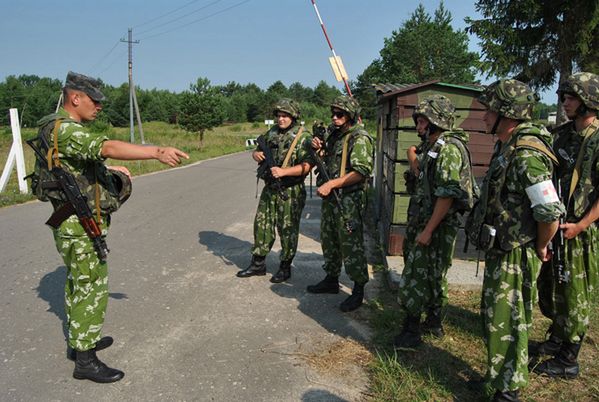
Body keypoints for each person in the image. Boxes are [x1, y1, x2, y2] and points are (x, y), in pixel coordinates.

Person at [32, 71, 189, 383]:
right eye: (94, 100)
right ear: (74, 97)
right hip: (77, 224)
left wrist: (106, 170)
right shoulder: (65, 129)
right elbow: (104, 146)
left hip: (69, 218)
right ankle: (85, 361)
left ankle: (80, 341)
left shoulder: (57, 127)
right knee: (91, 286)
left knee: (79, 281)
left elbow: (75, 164)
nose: (99, 106)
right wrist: (157, 152)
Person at [466, 79, 564, 401]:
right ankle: (499, 377)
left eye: (488, 111)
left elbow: (549, 212)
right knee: (496, 318)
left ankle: (508, 392)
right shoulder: (507, 146)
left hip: (515, 254)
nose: (483, 117)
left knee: (508, 320)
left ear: (506, 114)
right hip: (502, 248)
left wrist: (539, 245)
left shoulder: (526, 155)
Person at [393, 95, 476, 349]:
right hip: (428, 222)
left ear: (436, 120)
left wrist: (428, 230)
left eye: (422, 120)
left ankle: (411, 330)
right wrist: (412, 158)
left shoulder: (448, 149)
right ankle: (434, 320)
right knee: (432, 273)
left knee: (417, 274)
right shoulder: (434, 146)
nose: (418, 125)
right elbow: (423, 172)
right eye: (418, 120)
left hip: (435, 225)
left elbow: (446, 194)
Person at [532, 72, 599, 379]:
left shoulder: (596, 140)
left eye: (571, 97)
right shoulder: (563, 134)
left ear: (588, 101)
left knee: (574, 292)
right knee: (551, 286)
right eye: (563, 97)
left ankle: (569, 358)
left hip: (578, 230)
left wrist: (582, 224)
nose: (565, 103)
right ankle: (557, 338)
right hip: (557, 224)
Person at [306, 96, 373, 312]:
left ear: (350, 116)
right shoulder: (336, 135)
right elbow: (329, 157)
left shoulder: (359, 138)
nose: (334, 118)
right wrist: (318, 147)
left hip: (349, 199)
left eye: (340, 114)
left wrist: (333, 184)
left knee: (351, 244)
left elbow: (361, 171)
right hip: (332, 197)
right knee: (330, 239)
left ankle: (358, 290)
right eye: (333, 114)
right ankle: (331, 279)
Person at [236, 99, 313, 283]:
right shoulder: (271, 133)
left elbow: (307, 165)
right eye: (278, 115)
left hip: (290, 190)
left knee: (287, 230)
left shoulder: (303, 137)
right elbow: (257, 149)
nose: (281, 119)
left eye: (285, 115)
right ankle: (258, 264)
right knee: (262, 225)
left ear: (293, 117)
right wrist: (256, 155)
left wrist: (284, 171)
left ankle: (285, 267)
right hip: (270, 188)